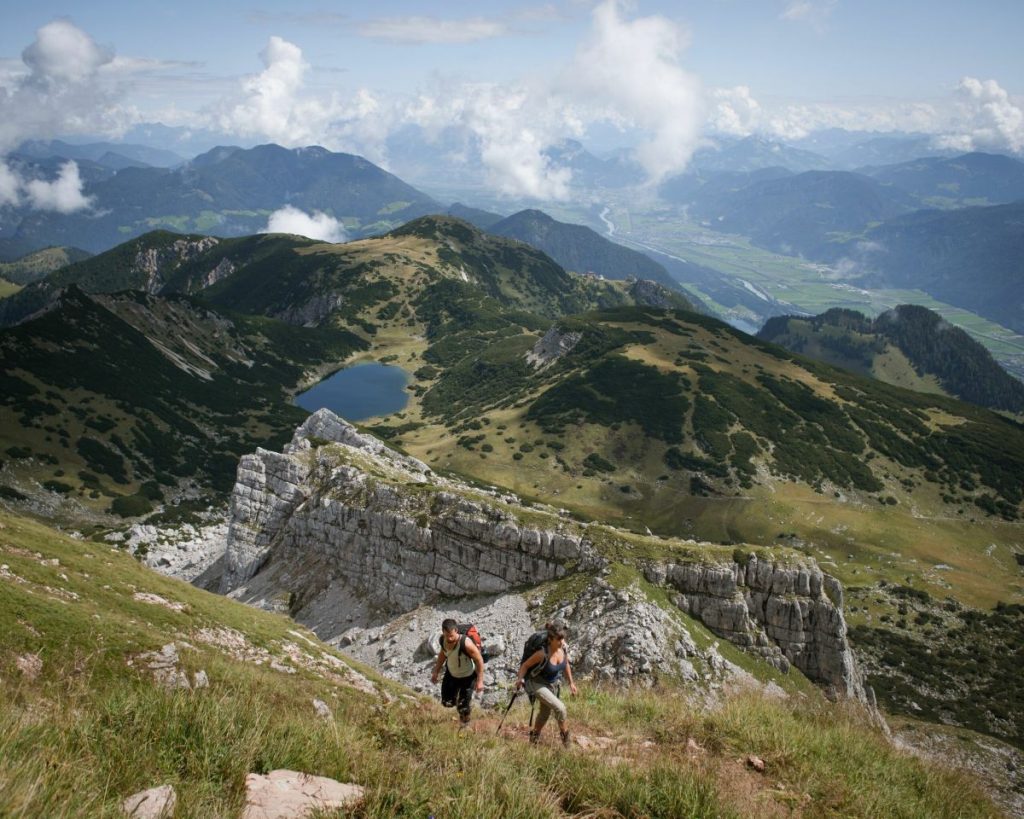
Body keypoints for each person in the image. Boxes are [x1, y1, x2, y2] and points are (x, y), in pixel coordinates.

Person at [515, 621, 578, 747]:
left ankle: (534, 739)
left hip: (551, 685)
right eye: (558, 639)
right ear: (550, 639)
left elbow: (565, 664)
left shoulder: (562, 649)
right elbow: (525, 665)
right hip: (536, 683)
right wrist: (520, 679)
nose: (561, 642)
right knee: (560, 708)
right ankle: (567, 743)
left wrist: (571, 683)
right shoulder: (542, 653)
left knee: (545, 713)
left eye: (562, 639)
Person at [430, 619, 485, 729]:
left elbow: (479, 660)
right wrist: (436, 671)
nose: (449, 638)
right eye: (447, 636)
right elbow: (442, 655)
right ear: (443, 632)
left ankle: (465, 725)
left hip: (468, 677)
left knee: (463, 707)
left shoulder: (466, 644)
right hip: (451, 674)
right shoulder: (443, 640)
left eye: (451, 635)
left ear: (456, 630)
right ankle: (462, 703)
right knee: (447, 702)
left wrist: (480, 681)